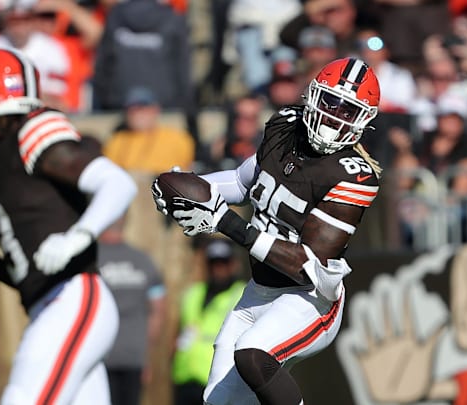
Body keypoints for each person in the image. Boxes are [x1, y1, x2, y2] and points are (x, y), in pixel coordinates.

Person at [152, 57, 381, 405]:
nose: (335, 116)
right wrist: (192, 189)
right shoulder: (286, 125)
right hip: (260, 289)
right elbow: (241, 182)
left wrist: (224, 221)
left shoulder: (353, 176)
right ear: (312, 96)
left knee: (253, 353)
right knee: (218, 400)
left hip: (309, 297)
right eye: (331, 102)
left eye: (348, 110)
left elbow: (306, 263)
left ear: (364, 120)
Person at [0, 48, 138, 404]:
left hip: (73, 298)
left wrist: (76, 236)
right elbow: (30, 275)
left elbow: (117, 184)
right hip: (54, 303)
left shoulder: (30, 129)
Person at [98, 215, 166, 405]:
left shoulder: (88, 260)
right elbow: (158, 312)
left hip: (96, 358)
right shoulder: (143, 261)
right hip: (133, 357)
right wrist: (146, 355)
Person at [172, 239, 246, 405]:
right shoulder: (193, 293)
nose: (217, 269)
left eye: (223, 263)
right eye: (213, 264)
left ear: (233, 264)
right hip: (184, 376)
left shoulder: (243, 295)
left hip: (218, 381)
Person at [103, 87, 196, 174]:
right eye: (132, 108)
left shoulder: (177, 138)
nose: (137, 113)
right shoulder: (117, 141)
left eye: (142, 107)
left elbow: (187, 169)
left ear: (156, 109)